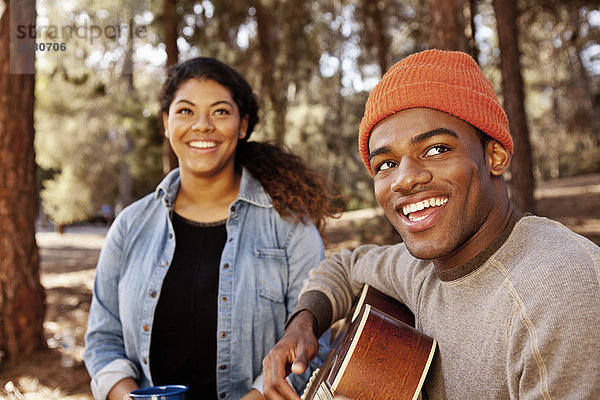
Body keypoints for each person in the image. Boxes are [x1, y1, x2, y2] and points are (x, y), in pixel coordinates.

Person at [262, 49, 600, 399]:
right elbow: (345, 267)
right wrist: (303, 323)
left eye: (436, 149)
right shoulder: (421, 270)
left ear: (494, 156)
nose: (404, 180)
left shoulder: (559, 293)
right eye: (386, 164)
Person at [83, 57, 338, 400]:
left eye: (220, 111)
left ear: (243, 125)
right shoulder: (129, 227)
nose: (202, 125)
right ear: (166, 123)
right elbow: (103, 339)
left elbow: (314, 345)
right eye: (186, 111)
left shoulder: (290, 227)